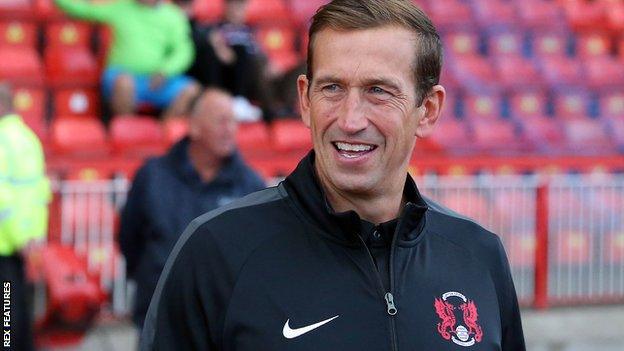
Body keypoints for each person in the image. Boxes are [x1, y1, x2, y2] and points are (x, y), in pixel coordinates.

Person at [141, 1, 526, 350]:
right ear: (305, 100)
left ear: (427, 109)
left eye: (378, 91)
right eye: (332, 88)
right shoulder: (215, 251)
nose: (350, 120)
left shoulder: (478, 255)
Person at [118, 87, 266, 329]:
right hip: (159, 317)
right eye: (221, 121)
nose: (230, 129)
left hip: (222, 322)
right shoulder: (153, 175)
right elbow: (129, 238)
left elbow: (256, 255)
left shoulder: (250, 184)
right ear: (194, 126)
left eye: (233, 121)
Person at [54, 0, 201, 119]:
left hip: (159, 79)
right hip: (121, 76)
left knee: (191, 89)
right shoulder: (121, 8)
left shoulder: (173, 16)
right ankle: (127, 132)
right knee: (124, 83)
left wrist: (165, 71)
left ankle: (163, 138)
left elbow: (184, 51)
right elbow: (83, 10)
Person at [0, 83, 51, 351]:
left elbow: (3, 198)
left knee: (6, 322)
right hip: (26, 244)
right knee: (20, 318)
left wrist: (19, 238)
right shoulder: (30, 138)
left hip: (6, 245)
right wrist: (34, 238)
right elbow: (40, 193)